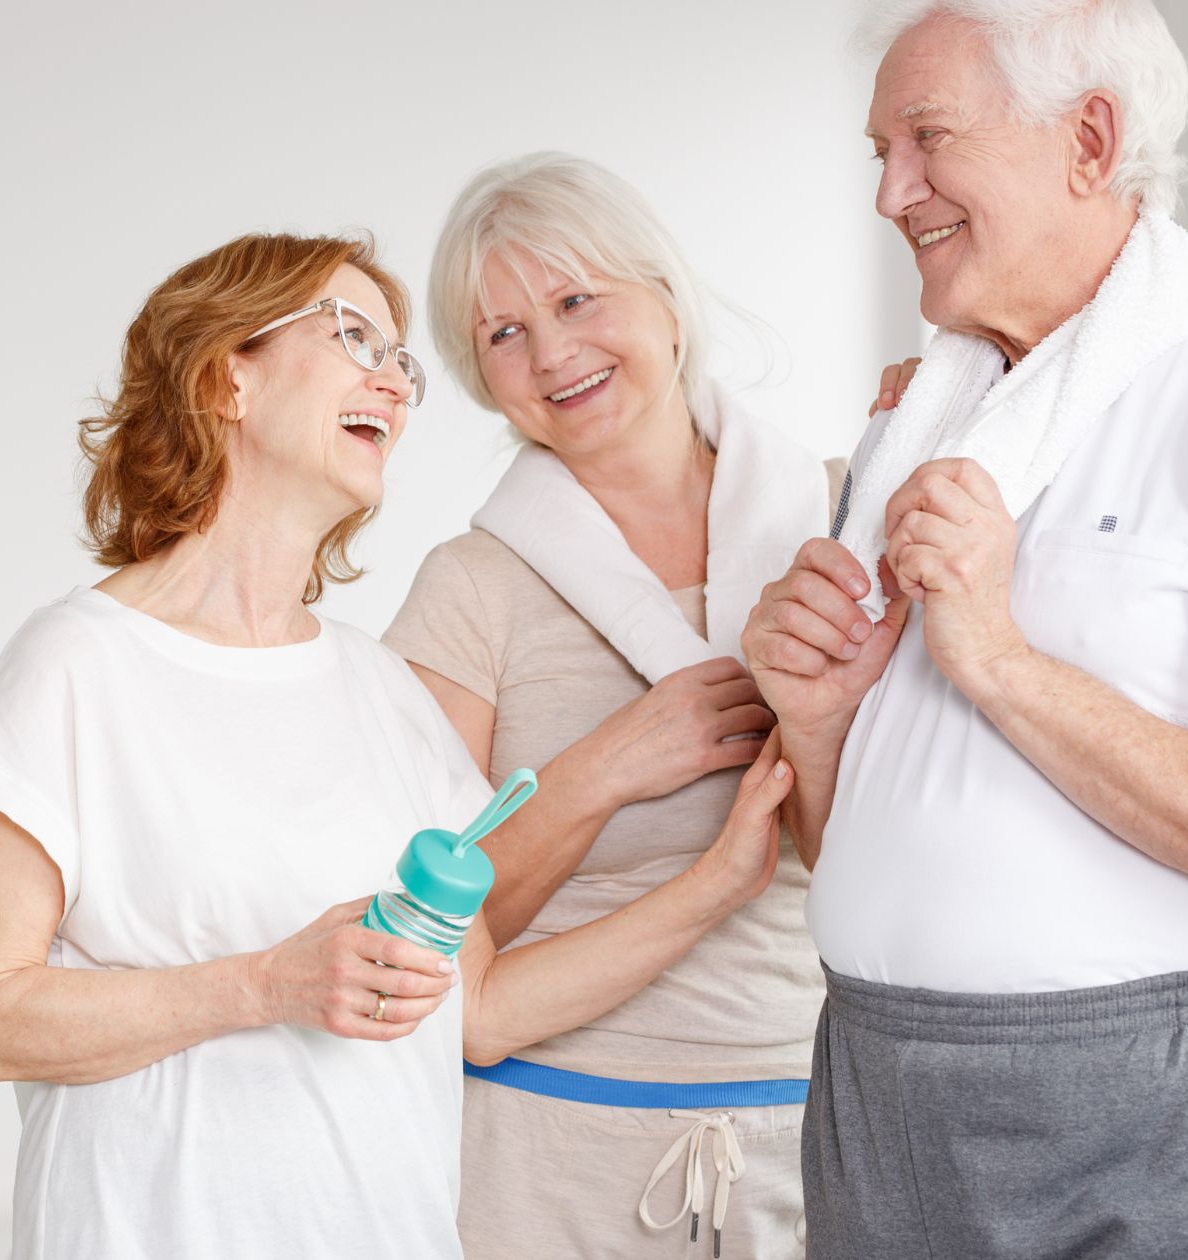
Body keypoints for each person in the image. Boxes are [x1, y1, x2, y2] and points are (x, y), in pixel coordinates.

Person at [0, 231, 795, 1259]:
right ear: (224, 379)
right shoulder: (76, 665)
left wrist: (716, 882)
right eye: (350, 337)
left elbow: (473, 1007)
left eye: (399, 361)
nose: (389, 379)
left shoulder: (379, 687)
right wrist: (261, 986)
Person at [743, 2, 1188, 1255]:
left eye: (926, 139)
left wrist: (997, 659)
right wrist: (813, 717)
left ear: (1087, 139)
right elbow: (838, 841)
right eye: (878, 153)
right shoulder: (916, 432)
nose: (890, 194)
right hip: (871, 1078)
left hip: (1133, 1104)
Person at [389, 152, 839, 1257]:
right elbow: (423, 935)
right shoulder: (470, 588)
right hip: (544, 1160)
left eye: (577, 299)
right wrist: (605, 767)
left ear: (666, 299)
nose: (550, 354)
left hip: (808, 1144)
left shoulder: (836, 520)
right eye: (501, 334)